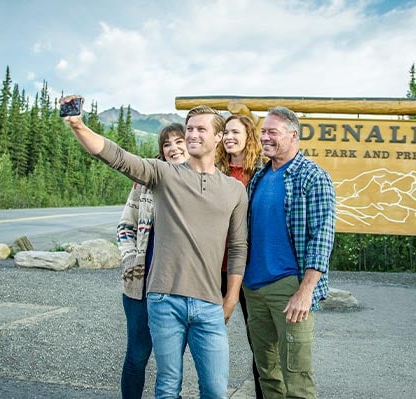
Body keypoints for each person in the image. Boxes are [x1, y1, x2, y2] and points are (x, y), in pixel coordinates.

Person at [62, 96, 247, 399]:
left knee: (215, 390)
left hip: (209, 304)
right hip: (164, 300)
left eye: (201, 129)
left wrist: (231, 297)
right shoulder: (164, 175)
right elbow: (117, 156)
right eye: (189, 128)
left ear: (218, 137)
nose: (192, 135)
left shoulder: (234, 190)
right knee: (167, 386)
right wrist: (78, 125)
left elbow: (239, 247)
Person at [242, 106, 336, 399]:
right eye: (263, 132)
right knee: (267, 373)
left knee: (297, 377)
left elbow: (322, 238)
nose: (265, 137)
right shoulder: (259, 177)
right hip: (253, 288)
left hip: (289, 288)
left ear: (293, 135)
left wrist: (305, 290)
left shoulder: (313, 177)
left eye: (273, 132)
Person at [117, 123, 189, 399]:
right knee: (137, 355)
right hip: (141, 286)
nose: (173, 148)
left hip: (178, 287)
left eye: (179, 141)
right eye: (167, 144)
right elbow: (125, 226)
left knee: (171, 362)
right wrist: (129, 261)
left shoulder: (200, 181)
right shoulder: (145, 182)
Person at [215, 113, 264, 399]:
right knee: (209, 334)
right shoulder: (213, 169)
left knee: (257, 339)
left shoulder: (260, 172)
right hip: (214, 265)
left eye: (236, 132)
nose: (230, 137)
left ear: (249, 137)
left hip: (250, 267)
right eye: (226, 132)